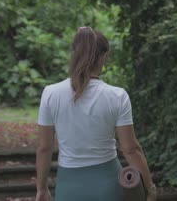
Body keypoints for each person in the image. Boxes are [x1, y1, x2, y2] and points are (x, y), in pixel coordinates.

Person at [35, 27, 157, 201]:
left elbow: (44, 148)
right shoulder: (117, 96)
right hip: (108, 185)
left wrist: (41, 188)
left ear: (74, 53)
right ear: (104, 57)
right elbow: (131, 149)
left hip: (69, 188)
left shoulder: (51, 93)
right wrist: (150, 187)